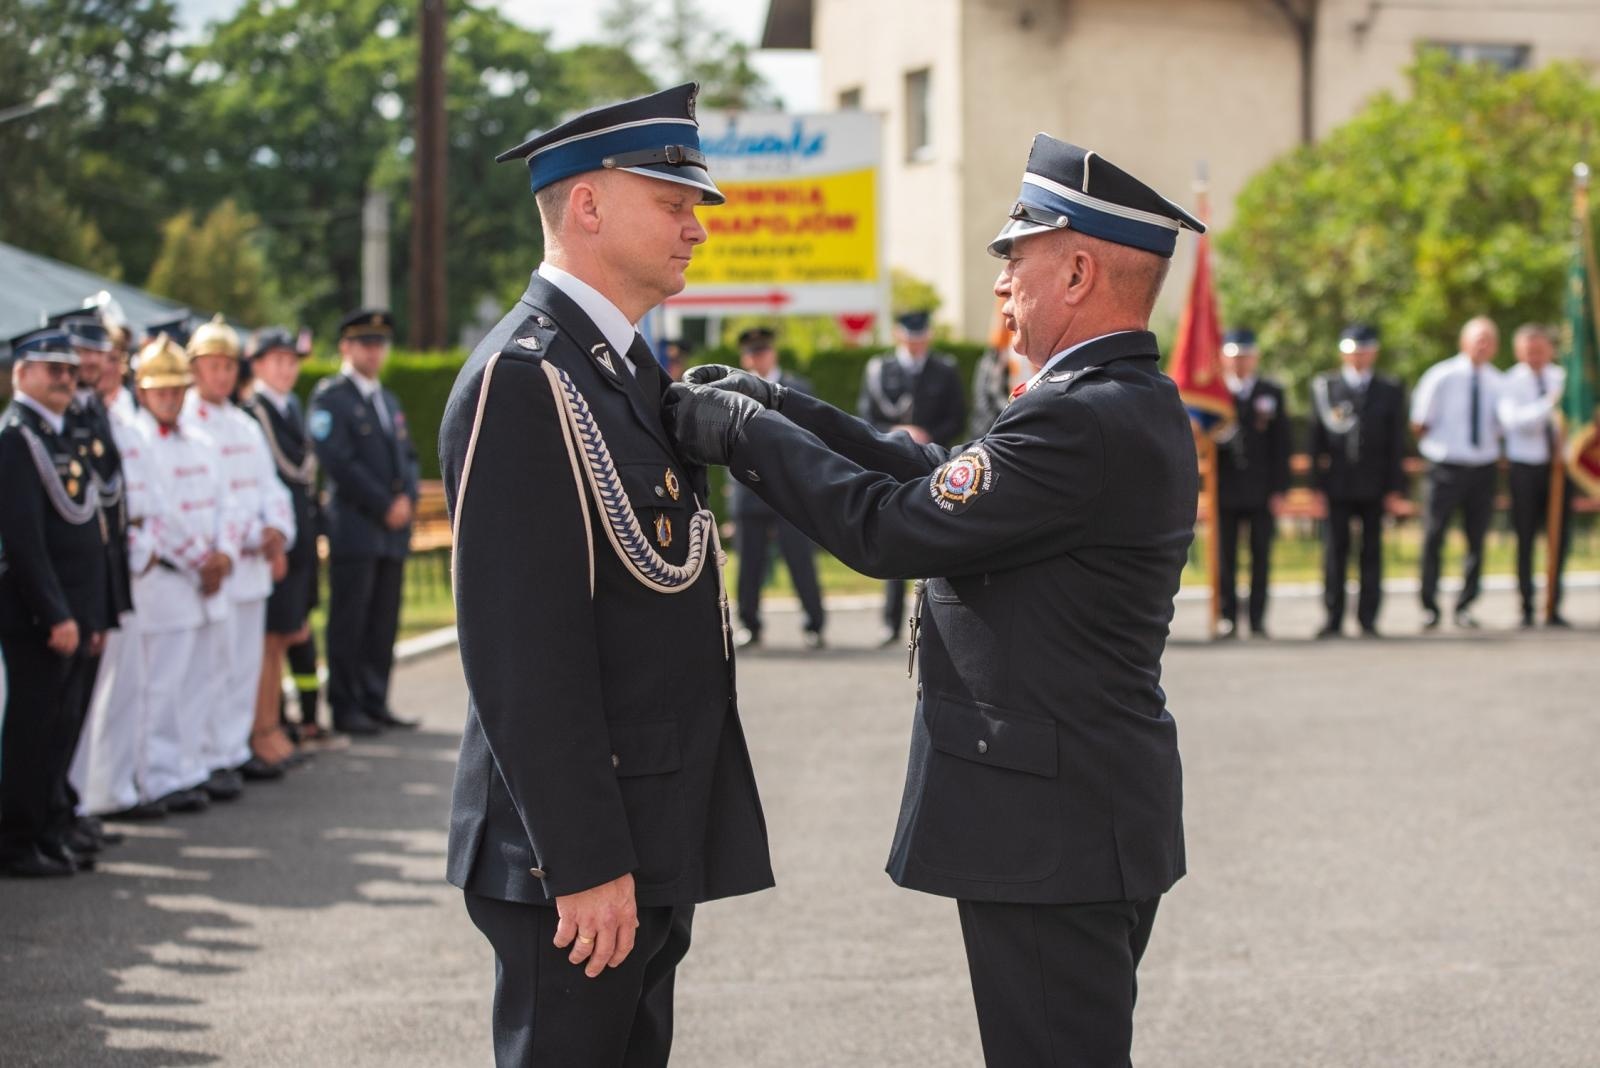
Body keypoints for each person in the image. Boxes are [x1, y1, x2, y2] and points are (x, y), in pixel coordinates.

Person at [670, 134, 1201, 1066]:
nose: (1001, 282)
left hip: (1051, 828)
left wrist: (743, 434)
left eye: (1016, 257)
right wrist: (786, 407)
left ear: (1078, 270)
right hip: (1073, 815)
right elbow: (943, 476)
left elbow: (897, 528)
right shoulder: (1107, 398)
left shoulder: (1078, 415)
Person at [438, 82, 774, 1066]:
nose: (694, 230)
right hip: (574, 858)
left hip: (646, 827)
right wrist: (580, 860)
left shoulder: (620, 372)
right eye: (672, 204)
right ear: (587, 206)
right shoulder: (525, 376)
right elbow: (518, 653)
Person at [0, 329, 113, 877]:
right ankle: (19, 842)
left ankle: (48, 826)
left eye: (70, 370)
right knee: (31, 731)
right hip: (38, 619)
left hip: (73, 613)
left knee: (58, 728)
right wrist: (57, 614)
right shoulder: (17, 438)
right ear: (21, 374)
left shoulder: (59, 435)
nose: (66, 378)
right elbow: (24, 541)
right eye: (52, 369)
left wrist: (88, 614)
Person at [184, 315, 296, 784]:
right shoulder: (187, 422)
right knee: (207, 670)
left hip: (251, 569)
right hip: (214, 570)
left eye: (228, 365)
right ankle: (203, 757)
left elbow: (272, 489)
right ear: (194, 369)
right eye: (212, 365)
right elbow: (209, 501)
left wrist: (276, 530)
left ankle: (232, 749)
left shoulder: (244, 424)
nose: (222, 375)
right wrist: (248, 538)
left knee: (242, 668)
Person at [131, 334, 239, 816]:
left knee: (199, 681)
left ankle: (187, 767)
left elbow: (225, 502)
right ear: (143, 393)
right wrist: (201, 559)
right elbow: (157, 514)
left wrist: (224, 554)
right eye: (161, 390)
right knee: (161, 688)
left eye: (177, 389)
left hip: (205, 580)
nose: (171, 398)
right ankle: (156, 776)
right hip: (168, 581)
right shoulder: (139, 444)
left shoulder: (201, 441)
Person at [309, 309, 419, 735]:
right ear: (346, 347)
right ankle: (345, 704)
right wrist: (383, 504)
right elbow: (338, 462)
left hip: (390, 533)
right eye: (365, 344)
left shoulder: (386, 400)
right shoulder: (330, 397)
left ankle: (375, 700)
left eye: (379, 344)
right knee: (350, 621)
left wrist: (406, 499)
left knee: (382, 622)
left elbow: (407, 458)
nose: (374, 352)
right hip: (355, 528)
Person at [857, 310, 966, 647]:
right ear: (898, 336)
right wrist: (896, 433)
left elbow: (957, 417)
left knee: (936, 535)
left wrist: (928, 434)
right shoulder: (879, 370)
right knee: (892, 535)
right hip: (894, 465)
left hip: (935, 466)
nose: (916, 345)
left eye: (921, 339)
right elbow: (866, 417)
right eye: (910, 338)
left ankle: (937, 616)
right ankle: (891, 622)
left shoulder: (945, 370)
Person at [243, 328, 328, 749]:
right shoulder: (253, 410)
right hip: (275, 539)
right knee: (270, 637)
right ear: (257, 365)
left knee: (290, 632)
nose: (286, 368)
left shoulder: (290, 407)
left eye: (291, 360)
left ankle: (281, 723)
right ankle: (266, 725)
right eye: (276, 360)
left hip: (301, 534)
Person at [723, 326, 825, 649]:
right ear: (744, 357)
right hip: (748, 487)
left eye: (762, 351)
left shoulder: (797, 388)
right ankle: (750, 625)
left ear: (773, 353)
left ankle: (814, 624)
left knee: (800, 560)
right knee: (749, 565)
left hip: (790, 489)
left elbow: (811, 439)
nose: (757, 358)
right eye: (751, 353)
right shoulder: (730, 390)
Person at [1308, 324, 1410, 638]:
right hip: (1337, 484)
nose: (1358, 356)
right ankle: (1333, 617)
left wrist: (1396, 488)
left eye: (1364, 350)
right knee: (1335, 553)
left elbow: (1397, 443)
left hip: (1375, 485)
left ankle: (1368, 618)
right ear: (1343, 352)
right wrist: (1316, 487)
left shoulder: (1389, 389)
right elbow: (1316, 441)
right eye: (1353, 350)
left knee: (1372, 552)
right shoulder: (1328, 387)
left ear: (1374, 352)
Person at [1412, 316, 1503, 630]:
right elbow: (1420, 422)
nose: (1483, 345)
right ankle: (1429, 605)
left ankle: (1465, 604)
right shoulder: (1442, 375)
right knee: (1434, 535)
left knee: (1476, 539)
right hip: (1446, 468)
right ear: (1464, 342)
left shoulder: (1497, 381)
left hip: (1482, 468)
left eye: (1489, 340)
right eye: (1478, 339)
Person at [1215, 328, 1291, 639]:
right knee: (1225, 557)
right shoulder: (1214, 394)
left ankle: (1257, 618)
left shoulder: (1271, 392)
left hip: (1261, 489)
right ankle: (1228, 616)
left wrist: (1280, 489)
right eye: (1234, 356)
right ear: (1223, 357)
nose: (1240, 363)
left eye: (1246, 356)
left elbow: (1281, 444)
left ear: (1255, 357)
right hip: (1226, 488)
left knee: (1260, 555)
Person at [1498, 323, 1571, 628]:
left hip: (1558, 467)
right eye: (1530, 350)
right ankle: (1527, 604)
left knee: (1560, 538)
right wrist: (1548, 405)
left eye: (1541, 350)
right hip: (1525, 467)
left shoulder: (1564, 378)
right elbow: (1515, 423)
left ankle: (1553, 603)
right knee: (1525, 537)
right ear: (1519, 351)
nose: (1536, 356)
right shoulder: (1509, 382)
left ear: (1550, 350)